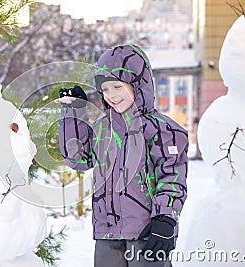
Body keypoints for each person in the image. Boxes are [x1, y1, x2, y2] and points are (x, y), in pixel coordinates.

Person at [55, 44, 188, 267]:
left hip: (147, 233)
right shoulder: (101, 129)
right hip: (108, 234)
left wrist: (165, 218)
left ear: (138, 83)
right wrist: (73, 112)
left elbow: (172, 177)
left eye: (117, 86)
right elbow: (77, 158)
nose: (111, 96)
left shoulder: (163, 130)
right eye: (105, 90)